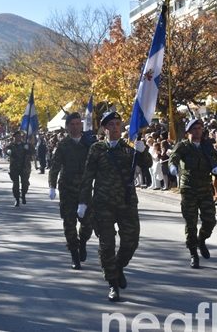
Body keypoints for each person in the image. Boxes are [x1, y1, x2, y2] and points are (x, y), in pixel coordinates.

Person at [78, 111, 150, 302]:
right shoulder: (96, 149)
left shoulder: (129, 149)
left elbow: (146, 164)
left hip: (126, 203)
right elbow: (88, 176)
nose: (116, 127)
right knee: (106, 245)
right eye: (112, 124)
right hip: (103, 204)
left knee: (131, 242)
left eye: (118, 124)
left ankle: (117, 267)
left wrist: (143, 150)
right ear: (105, 128)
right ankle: (112, 283)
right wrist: (83, 202)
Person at [168, 118, 217, 268]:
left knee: (210, 221)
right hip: (189, 189)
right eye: (195, 128)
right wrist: (173, 167)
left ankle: (201, 239)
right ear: (188, 131)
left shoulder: (207, 146)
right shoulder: (183, 146)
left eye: (200, 128)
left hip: (204, 188)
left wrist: (216, 167)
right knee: (191, 223)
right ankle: (193, 253)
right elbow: (174, 158)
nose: (198, 131)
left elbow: (213, 159)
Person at [48, 112, 94, 270]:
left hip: (85, 189)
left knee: (88, 224)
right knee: (69, 224)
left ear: (81, 125)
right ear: (67, 127)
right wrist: (52, 186)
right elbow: (55, 167)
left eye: (77, 124)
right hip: (67, 189)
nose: (75, 127)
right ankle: (74, 254)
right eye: (72, 124)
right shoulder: (63, 145)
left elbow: (97, 164)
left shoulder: (89, 143)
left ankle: (82, 242)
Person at [5, 131, 32, 207]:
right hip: (14, 168)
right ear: (14, 137)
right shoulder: (11, 145)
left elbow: (32, 152)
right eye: (16, 136)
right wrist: (8, 151)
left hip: (24, 167)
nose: (18, 138)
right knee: (15, 185)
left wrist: (28, 148)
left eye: (19, 136)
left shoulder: (25, 145)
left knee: (25, 183)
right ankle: (17, 199)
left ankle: (23, 195)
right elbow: (5, 150)